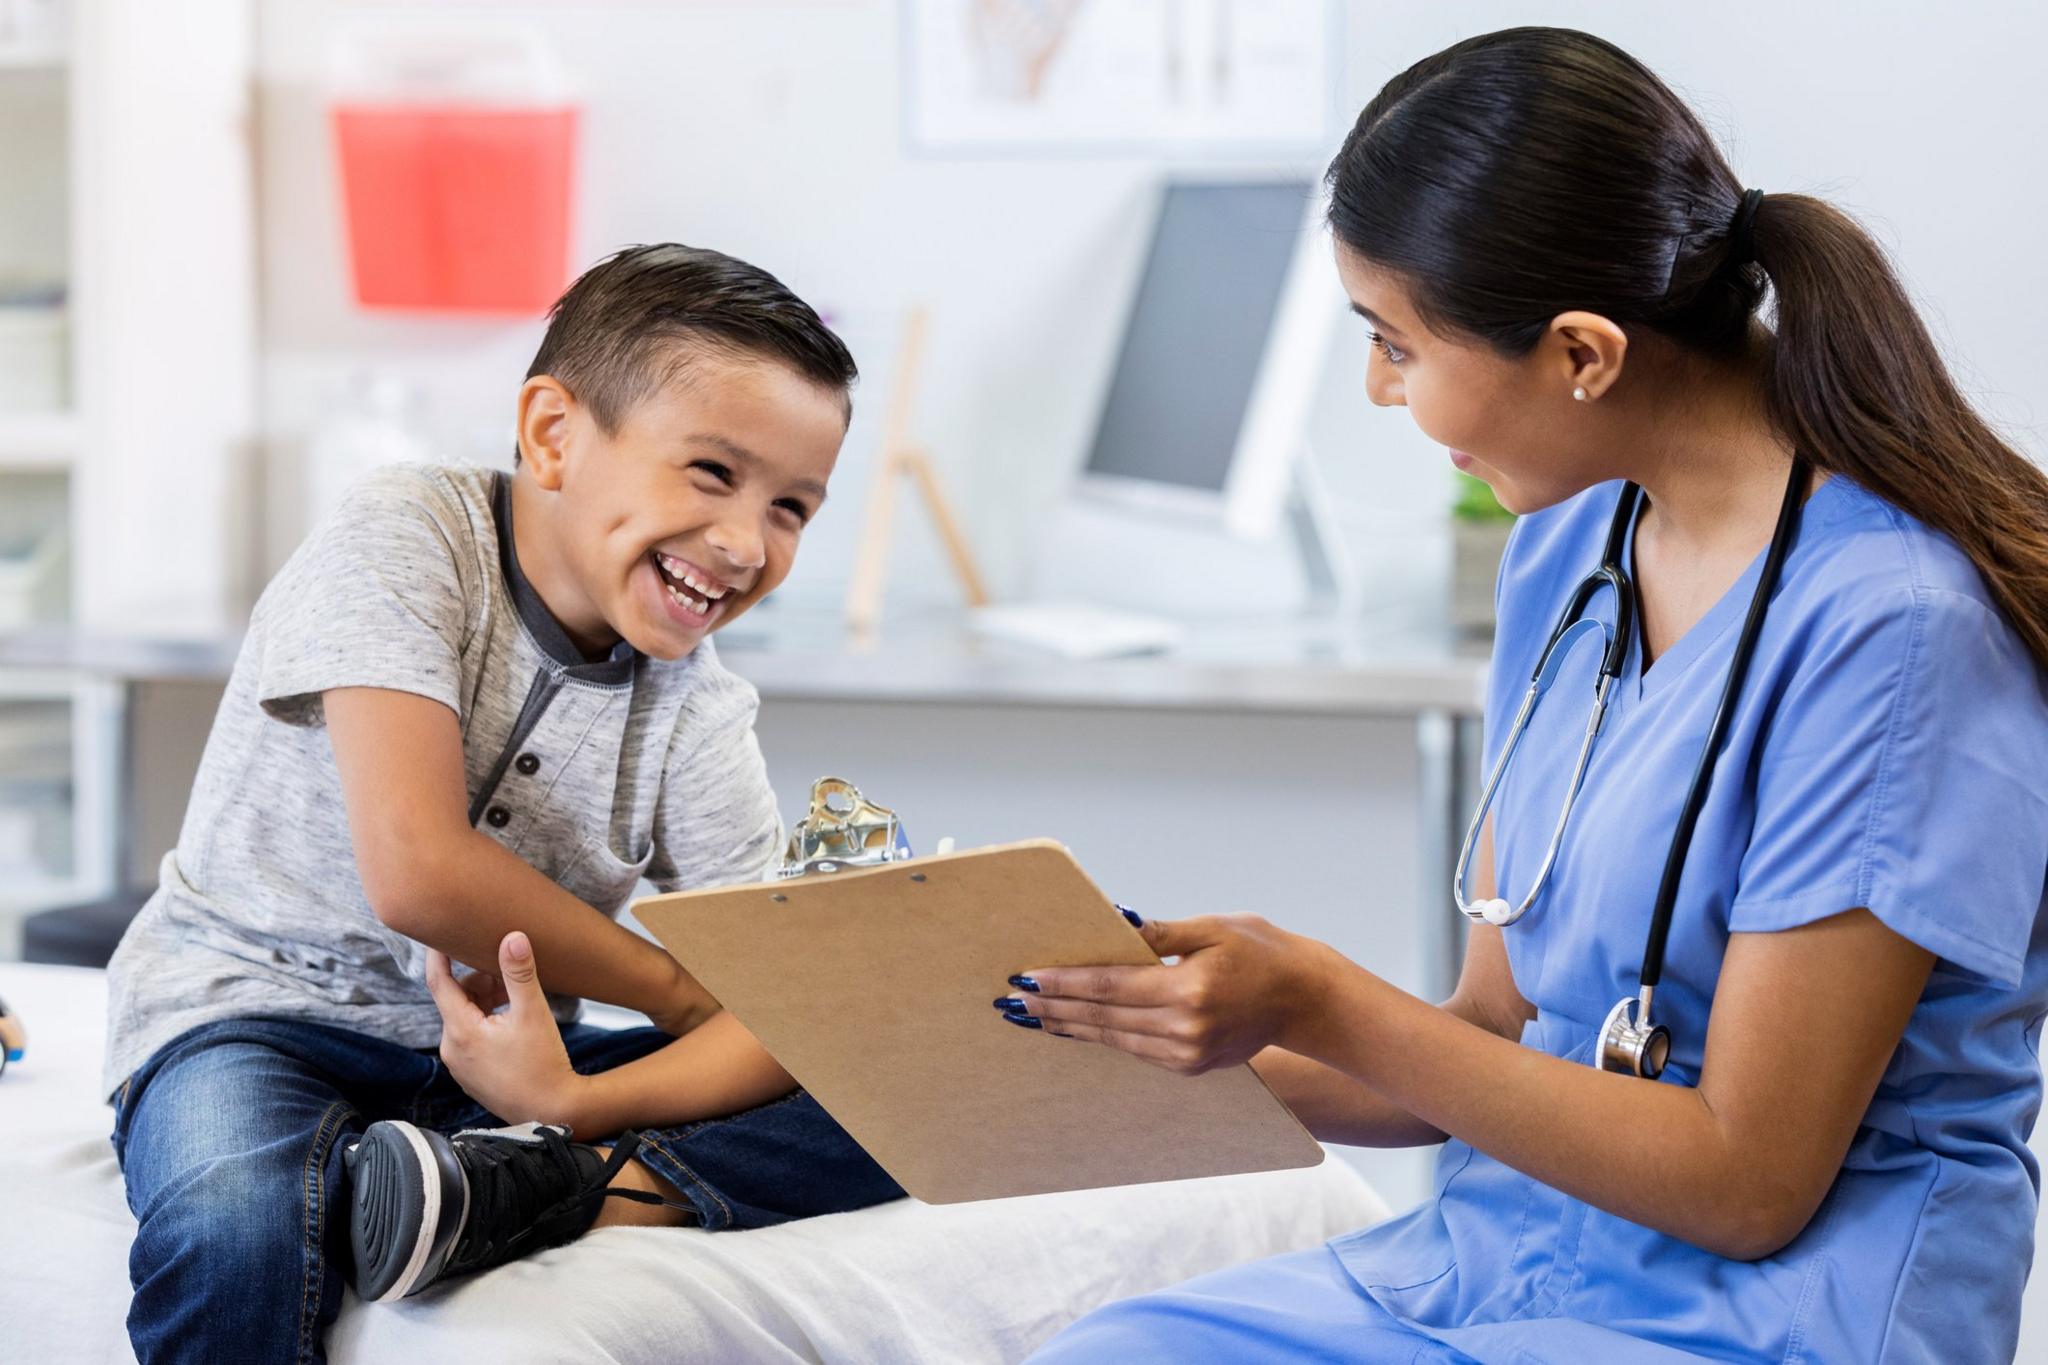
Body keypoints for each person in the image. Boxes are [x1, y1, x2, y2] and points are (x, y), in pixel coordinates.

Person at [1012, 27, 2048, 1363]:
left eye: (1395, 343)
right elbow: (1489, 1037)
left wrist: (1321, 996)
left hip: (1785, 1313)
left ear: (1581, 353)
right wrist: (1147, 1040)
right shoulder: (1567, 557)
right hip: (1504, 1264)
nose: (1382, 390)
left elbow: (1746, 1181)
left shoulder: (1897, 634)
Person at [103, 244, 902, 1364]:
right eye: (712, 474)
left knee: (895, 1079)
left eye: (791, 508)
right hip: (255, 1021)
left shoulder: (696, 703)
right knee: (236, 1225)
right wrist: (681, 989)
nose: (743, 543)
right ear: (552, 434)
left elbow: (787, 1007)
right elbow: (419, 871)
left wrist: (573, 1102)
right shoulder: (404, 535)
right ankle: (479, 1185)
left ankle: (514, 1183)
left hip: (508, 1082)